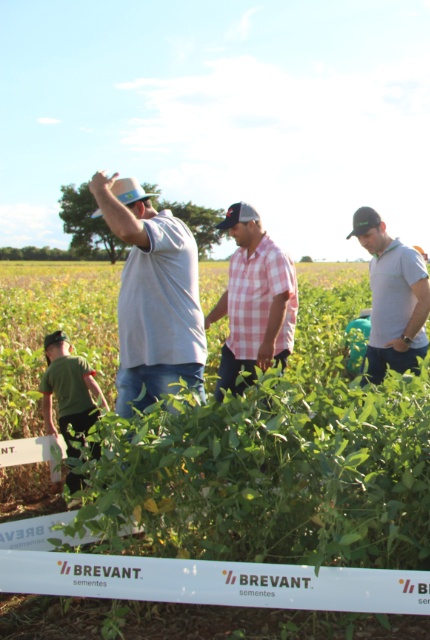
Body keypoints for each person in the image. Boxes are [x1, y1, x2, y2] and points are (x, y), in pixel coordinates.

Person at [88, 172, 207, 417]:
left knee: (185, 443)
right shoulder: (141, 247)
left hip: (173, 361)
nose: (111, 224)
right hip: (137, 363)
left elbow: (127, 230)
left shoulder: (169, 228)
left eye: (115, 212)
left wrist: (101, 191)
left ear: (140, 208)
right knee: (133, 449)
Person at [204, 202, 299, 401]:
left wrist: (268, 342)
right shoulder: (237, 257)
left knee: (267, 407)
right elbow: (232, 293)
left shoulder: (275, 255)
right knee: (223, 403)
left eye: (234, 227)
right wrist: (210, 319)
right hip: (237, 345)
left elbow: (281, 298)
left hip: (265, 350)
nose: (231, 233)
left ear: (252, 225)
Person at [347, 206, 430, 385]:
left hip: (405, 351)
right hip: (375, 347)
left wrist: (405, 340)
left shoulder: (407, 255)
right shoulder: (374, 261)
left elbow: (427, 301)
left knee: (404, 408)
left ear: (383, 227)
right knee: (365, 402)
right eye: (359, 238)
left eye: (367, 235)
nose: (363, 242)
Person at [39, 331, 108, 495]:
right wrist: (104, 407)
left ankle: (77, 492)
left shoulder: (49, 372)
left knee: (74, 454)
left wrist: (49, 424)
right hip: (89, 413)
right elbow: (91, 384)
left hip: (67, 418)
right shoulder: (79, 361)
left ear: (48, 353)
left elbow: (46, 403)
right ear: (70, 348)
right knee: (96, 449)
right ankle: (102, 488)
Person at [345, 308, 372, 376]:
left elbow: (344, 348)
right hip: (376, 369)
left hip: (355, 368)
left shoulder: (353, 323)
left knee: (344, 361)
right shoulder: (380, 324)